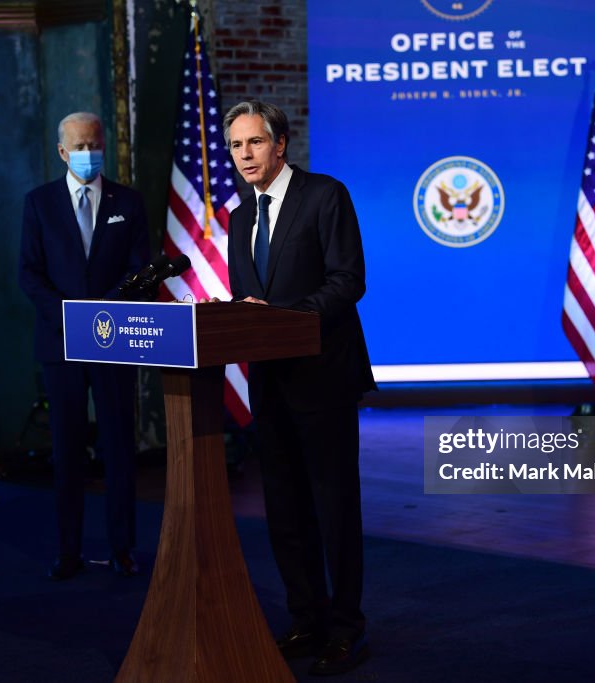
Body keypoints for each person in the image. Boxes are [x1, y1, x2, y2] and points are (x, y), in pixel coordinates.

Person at [223, 100, 376, 676]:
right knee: (285, 509)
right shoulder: (240, 218)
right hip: (270, 381)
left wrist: (285, 317)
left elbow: (348, 280)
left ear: (279, 144)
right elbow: (248, 299)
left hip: (323, 377)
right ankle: (306, 619)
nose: (245, 156)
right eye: (236, 146)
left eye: (254, 143)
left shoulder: (324, 195)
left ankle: (346, 629)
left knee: (333, 507)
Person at [19, 112, 150, 578]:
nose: (88, 152)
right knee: (67, 450)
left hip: (115, 343)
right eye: (79, 145)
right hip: (61, 345)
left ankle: (123, 549)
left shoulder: (129, 203)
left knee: (118, 447)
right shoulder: (38, 204)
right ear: (62, 151)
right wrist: (69, 316)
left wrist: (105, 313)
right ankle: (68, 552)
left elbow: (140, 269)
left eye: (94, 144)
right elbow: (29, 274)